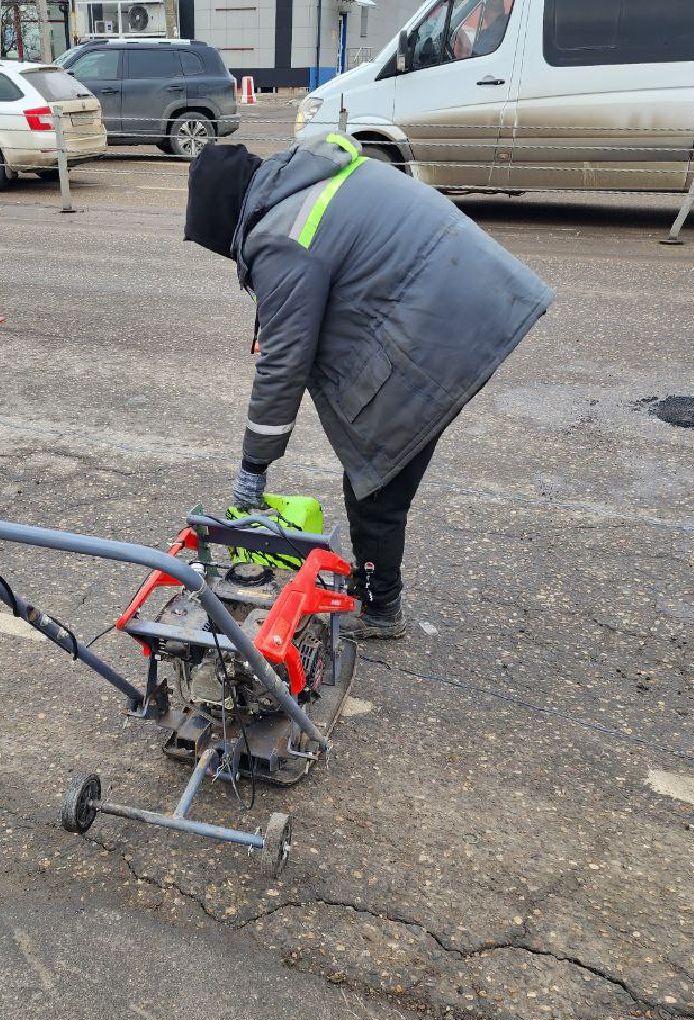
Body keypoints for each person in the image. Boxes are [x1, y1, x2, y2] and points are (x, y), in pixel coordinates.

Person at [185, 134, 552, 640]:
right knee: (377, 470)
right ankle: (377, 592)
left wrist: (253, 469)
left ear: (227, 216)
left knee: (377, 478)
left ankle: (380, 611)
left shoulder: (282, 234)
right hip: (471, 293)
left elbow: (284, 365)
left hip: (446, 327)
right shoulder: (305, 179)